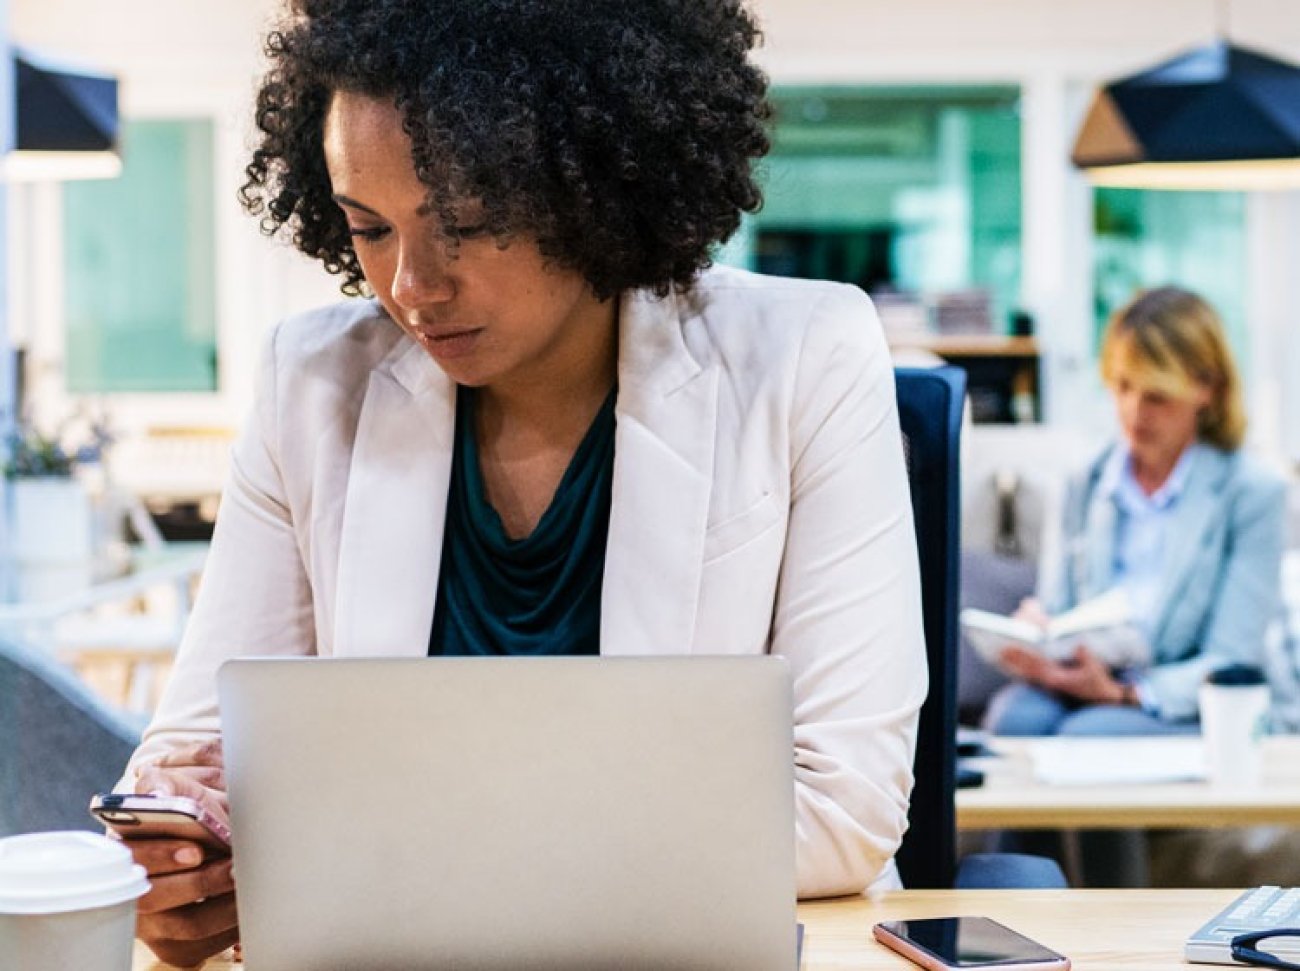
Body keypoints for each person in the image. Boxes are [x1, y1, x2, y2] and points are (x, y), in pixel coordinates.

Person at [118, 0, 928, 964]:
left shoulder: (808, 357)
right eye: (369, 227)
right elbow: (189, 761)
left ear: (594, 184)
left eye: (468, 221)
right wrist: (183, 856)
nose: (412, 283)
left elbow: (842, 811)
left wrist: (339, 853)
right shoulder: (309, 382)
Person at [984, 286, 1286, 737]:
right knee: (1013, 720)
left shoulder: (1252, 492)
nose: (1133, 412)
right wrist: (1039, 632)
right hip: (1087, 680)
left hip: (1186, 700)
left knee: (1092, 733)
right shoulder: (1083, 481)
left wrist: (1124, 694)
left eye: (1156, 397)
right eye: (1122, 387)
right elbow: (1059, 605)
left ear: (1207, 388)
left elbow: (1232, 658)